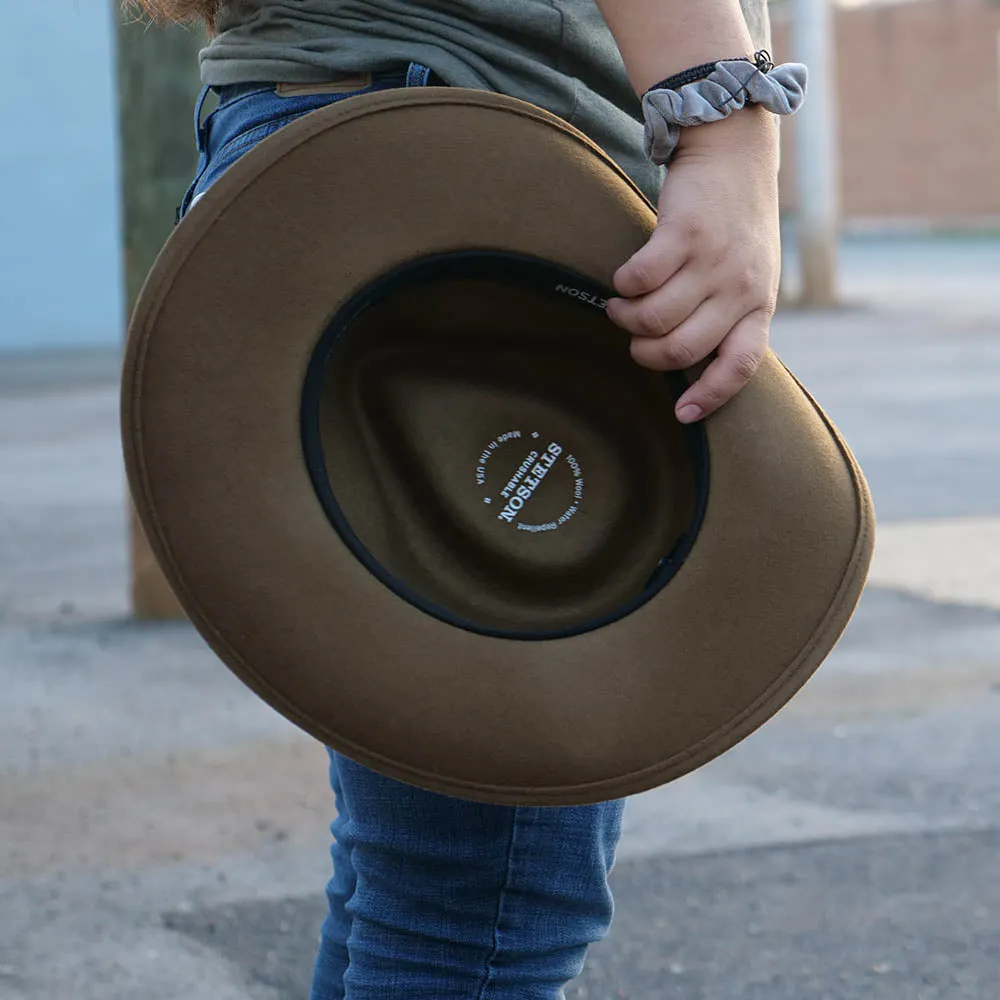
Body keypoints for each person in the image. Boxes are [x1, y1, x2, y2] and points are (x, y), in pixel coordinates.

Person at [132, 1, 781, 996]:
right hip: (452, 180)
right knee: (483, 910)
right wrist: (727, 131)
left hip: (352, 154)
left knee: (424, 891)